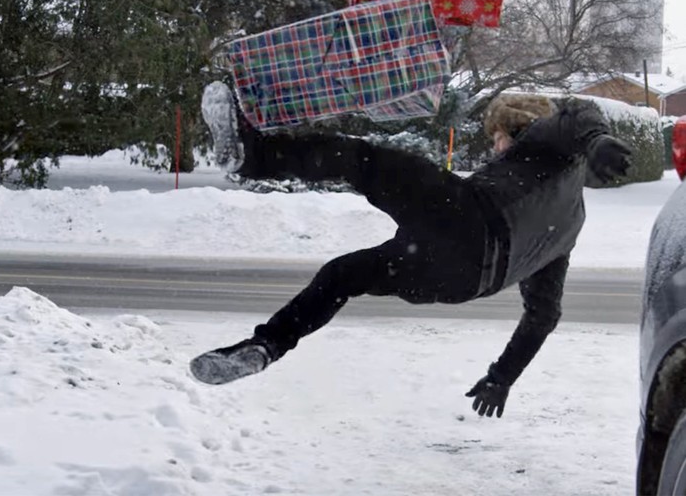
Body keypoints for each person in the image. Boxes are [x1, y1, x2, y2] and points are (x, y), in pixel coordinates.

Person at [192, 82, 633, 419]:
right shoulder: (571, 225)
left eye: (497, 137)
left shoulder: (543, 138)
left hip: (466, 219)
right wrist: (502, 377)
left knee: (360, 161)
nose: (495, 147)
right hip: (460, 281)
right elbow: (543, 315)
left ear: (517, 128)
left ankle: (253, 157)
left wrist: (597, 140)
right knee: (343, 274)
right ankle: (263, 347)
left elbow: (579, 112)